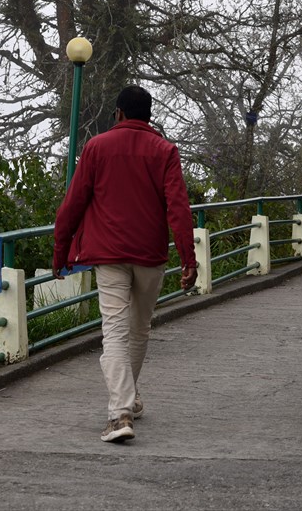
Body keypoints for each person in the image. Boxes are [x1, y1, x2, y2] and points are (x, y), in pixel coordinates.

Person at [52, 85, 197, 444]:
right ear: (149, 116)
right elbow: (178, 209)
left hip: (109, 254)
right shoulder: (165, 150)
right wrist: (188, 261)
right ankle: (125, 402)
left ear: (118, 114)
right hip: (150, 255)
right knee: (139, 329)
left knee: (114, 332)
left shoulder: (97, 147)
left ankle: (120, 414)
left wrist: (60, 252)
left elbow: (72, 204)